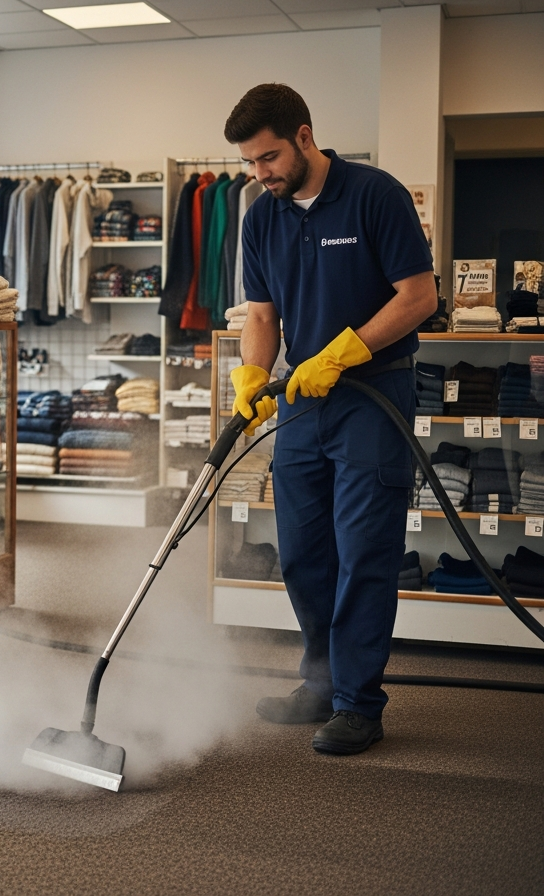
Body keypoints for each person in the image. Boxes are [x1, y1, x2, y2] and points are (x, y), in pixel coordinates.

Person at [225, 84, 437, 754]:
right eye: (250, 165)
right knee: (303, 552)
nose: (259, 175)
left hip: (372, 398)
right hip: (302, 402)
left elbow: (419, 297)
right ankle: (318, 683)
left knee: (364, 553)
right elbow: (261, 317)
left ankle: (356, 703)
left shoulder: (375, 195)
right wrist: (254, 375)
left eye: (267, 159)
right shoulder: (261, 216)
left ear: (305, 136)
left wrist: (347, 350)